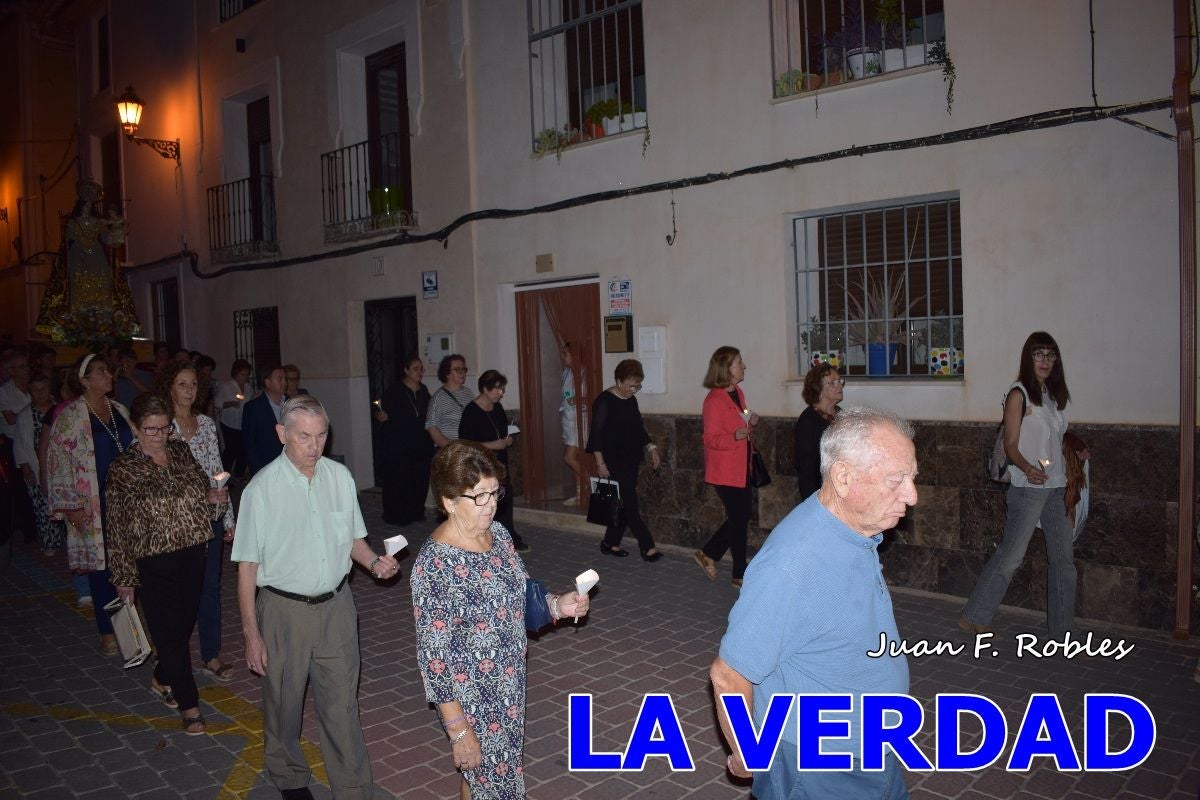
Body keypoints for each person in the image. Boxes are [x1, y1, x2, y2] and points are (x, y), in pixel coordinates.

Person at [710, 406, 918, 800]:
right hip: (823, 766)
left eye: (911, 478)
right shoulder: (793, 563)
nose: (911, 495)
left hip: (874, 747)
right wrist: (749, 752)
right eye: (896, 480)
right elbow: (728, 676)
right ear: (843, 478)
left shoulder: (855, 528)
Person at [232, 394, 399, 800]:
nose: (314, 445)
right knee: (284, 702)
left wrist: (376, 562)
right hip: (283, 610)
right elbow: (247, 569)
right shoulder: (261, 490)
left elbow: (354, 542)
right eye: (304, 436)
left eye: (320, 435)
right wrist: (252, 635)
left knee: (342, 704)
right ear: (281, 434)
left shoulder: (340, 477)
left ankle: (353, 787)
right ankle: (289, 776)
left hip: (338, 607)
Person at [411, 441, 589, 800]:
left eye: (495, 493)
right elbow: (434, 660)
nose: (492, 504)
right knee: (497, 785)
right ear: (448, 501)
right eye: (479, 496)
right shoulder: (434, 567)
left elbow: (522, 598)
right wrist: (459, 730)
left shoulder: (500, 537)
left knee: (479, 781)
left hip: (508, 685)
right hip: (471, 698)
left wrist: (558, 605)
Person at [106, 393, 230, 735]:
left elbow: (201, 501)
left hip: (193, 553)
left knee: (182, 626)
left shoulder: (180, 452)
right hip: (153, 560)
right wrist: (124, 576)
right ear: (135, 426)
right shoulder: (123, 469)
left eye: (164, 428)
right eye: (151, 429)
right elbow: (116, 527)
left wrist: (215, 501)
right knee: (170, 636)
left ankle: (163, 676)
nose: (159, 436)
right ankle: (190, 706)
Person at [960, 331, 1081, 638]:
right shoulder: (1019, 394)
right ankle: (975, 616)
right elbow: (1011, 444)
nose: (1045, 361)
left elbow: (1055, 436)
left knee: (1064, 561)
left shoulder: (1053, 396)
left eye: (1051, 355)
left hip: (1057, 486)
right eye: (1039, 354)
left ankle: (1064, 631)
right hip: (1028, 487)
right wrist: (1028, 469)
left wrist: (1076, 446)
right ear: (1029, 358)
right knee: (1011, 555)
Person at [45, 354, 135, 654]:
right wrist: (70, 506)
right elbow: (57, 462)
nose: (109, 375)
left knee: (127, 564)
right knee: (101, 568)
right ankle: (108, 630)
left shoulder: (119, 409)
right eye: (101, 372)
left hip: (124, 500)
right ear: (84, 380)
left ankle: (129, 628)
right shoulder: (71, 416)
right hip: (91, 504)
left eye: (108, 371)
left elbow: (136, 446)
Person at [161, 362, 237, 682]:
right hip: (179, 521)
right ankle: (172, 658)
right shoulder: (161, 427)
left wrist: (229, 516)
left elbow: (218, 469)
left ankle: (211, 654)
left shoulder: (206, 423)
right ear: (170, 388)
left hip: (212, 517)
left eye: (193, 384)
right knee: (178, 591)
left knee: (209, 587)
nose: (189, 390)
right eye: (182, 384)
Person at [585, 359, 663, 561]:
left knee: (622, 503)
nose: (634, 390)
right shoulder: (604, 401)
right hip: (613, 461)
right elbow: (596, 435)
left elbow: (638, 427)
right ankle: (648, 546)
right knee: (630, 504)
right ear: (619, 381)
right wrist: (600, 463)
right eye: (631, 385)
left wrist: (651, 447)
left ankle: (609, 543)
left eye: (638, 386)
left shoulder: (630, 399)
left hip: (631, 459)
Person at [694, 347, 758, 588]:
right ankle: (738, 573)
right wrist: (734, 436)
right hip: (724, 470)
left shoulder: (737, 392)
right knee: (740, 517)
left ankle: (710, 554)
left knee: (740, 516)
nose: (744, 366)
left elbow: (740, 414)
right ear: (726, 368)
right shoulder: (713, 400)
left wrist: (751, 417)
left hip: (741, 465)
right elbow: (709, 438)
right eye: (739, 362)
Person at [458, 370, 528, 552]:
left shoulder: (497, 407)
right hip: (480, 466)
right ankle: (483, 540)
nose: (501, 393)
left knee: (504, 500)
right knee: (484, 505)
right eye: (498, 389)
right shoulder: (471, 412)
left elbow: (502, 431)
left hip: (499, 464)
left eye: (502, 389)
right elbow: (466, 444)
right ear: (485, 388)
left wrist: (507, 440)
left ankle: (507, 537)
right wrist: (494, 445)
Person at [375, 356, 434, 525]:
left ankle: (416, 512)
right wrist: (379, 416)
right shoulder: (394, 391)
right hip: (398, 445)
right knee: (400, 481)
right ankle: (397, 515)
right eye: (415, 368)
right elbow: (380, 412)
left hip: (420, 444)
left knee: (419, 481)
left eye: (421, 369)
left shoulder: (424, 391)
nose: (420, 372)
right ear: (406, 370)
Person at [14, 374, 64, 555]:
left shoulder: (61, 409)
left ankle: (71, 542)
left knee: (66, 508)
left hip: (63, 468)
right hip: (37, 467)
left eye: (43, 388)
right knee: (43, 509)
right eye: (35, 389)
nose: (40, 392)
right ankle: (50, 543)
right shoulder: (25, 415)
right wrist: (26, 468)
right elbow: (19, 444)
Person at [794, 362, 844, 501]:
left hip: (841, 486)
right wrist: (813, 500)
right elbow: (806, 467)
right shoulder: (808, 421)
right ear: (819, 389)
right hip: (820, 491)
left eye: (840, 381)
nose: (839, 385)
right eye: (832, 382)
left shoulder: (840, 413)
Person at [242, 365, 287, 476]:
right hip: (267, 465)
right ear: (268, 383)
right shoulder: (253, 407)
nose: (285, 383)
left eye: (285, 379)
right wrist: (257, 471)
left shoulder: (291, 403)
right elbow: (250, 443)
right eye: (280, 379)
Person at [425, 354, 475, 449]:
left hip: (468, 448)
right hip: (450, 452)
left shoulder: (468, 393)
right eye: (457, 369)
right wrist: (452, 448)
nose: (462, 373)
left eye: (464, 369)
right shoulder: (438, 397)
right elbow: (431, 427)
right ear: (447, 373)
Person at [214, 358, 251, 476]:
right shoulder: (226, 386)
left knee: (243, 450)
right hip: (228, 423)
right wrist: (231, 403)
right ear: (235, 373)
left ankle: (238, 475)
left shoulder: (248, 387)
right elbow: (217, 403)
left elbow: (249, 401)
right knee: (231, 450)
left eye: (246, 374)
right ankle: (223, 476)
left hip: (242, 423)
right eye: (242, 374)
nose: (244, 377)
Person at [559, 342, 585, 506]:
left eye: (566, 354)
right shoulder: (567, 373)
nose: (563, 357)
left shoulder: (585, 373)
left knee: (569, 458)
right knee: (575, 458)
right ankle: (579, 494)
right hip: (569, 420)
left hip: (579, 421)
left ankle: (591, 482)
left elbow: (590, 396)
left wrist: (579, 399)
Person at [0, 350, 31, 441]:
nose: (27, 369)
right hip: (13, 439)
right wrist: (35, 411)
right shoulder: (4, 391)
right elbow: (10, 419)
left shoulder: (35, 385)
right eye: (22, 367)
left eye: (27, 365)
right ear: (11, 371)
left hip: (34, 437)